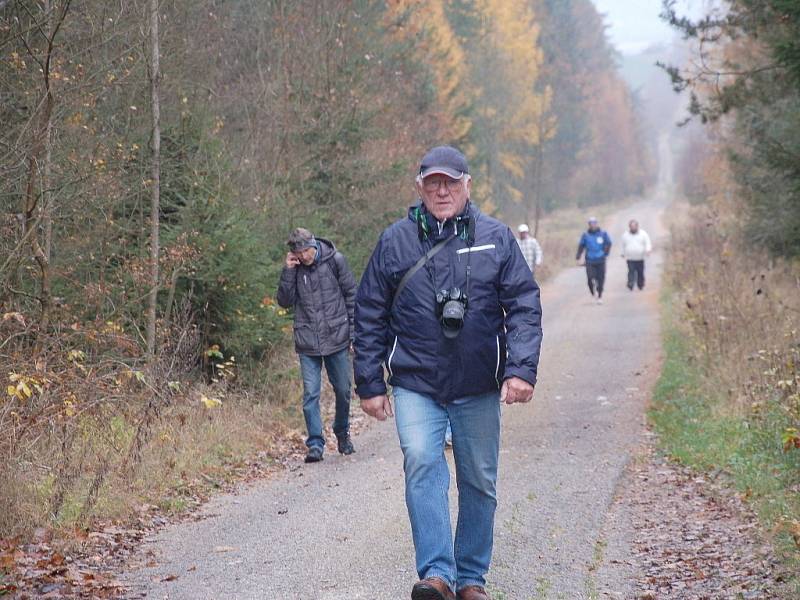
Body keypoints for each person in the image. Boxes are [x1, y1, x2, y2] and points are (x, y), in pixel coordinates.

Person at [354, 145, 543, 600]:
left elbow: (523, 305)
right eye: (433, 182)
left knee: (478, 477)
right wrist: (369, 382)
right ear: (419, 187)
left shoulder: (496, 238)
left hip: (477, 383)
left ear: (467, 186)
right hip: (416, 382)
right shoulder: (394, 240)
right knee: (422, 463)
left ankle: (472, 579)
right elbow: (369, 311)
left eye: (451, 182)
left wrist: (521, 369)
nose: (442, 190)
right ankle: (437, 575)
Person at [276, 227, 357, 463]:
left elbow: (352, 296)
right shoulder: (295, 268)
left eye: (303, 253)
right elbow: (284, 301)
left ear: (312, 246)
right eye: (297, 254)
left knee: (343, 389)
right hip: (307, 339)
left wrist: (354, 335)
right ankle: (315, 444)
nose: (302, 257)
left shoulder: (336, 261)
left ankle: (342, 433)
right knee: (311, 394)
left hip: (337, 337)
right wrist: (288, 271)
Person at [576, 217, 612, 304]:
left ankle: (600, 295)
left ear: (597, 224)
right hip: (590, 260)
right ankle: (592, 291)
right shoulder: (586, 235)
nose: (593, 225)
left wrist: (605, 253)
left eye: (594, 223)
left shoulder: (603, 234)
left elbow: (609, 243)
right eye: (591, 224)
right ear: (589, 225)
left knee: (601, 278)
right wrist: (578, 256)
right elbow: (581, 246)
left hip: (600, 259)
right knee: (590, 277)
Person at [620, 219, 652, 291]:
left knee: (640, 272)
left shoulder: (643, 234)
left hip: (640, 257)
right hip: (630, 257)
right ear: (629, 227)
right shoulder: (625, 235)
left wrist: (648, 250)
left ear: (637, 226)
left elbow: (647, 243)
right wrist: (622, 253)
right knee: (631, 271)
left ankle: (640, 284)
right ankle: (630, 283)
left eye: (634, 226)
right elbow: (623, 245)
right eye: (631, 226)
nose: (633, 228)